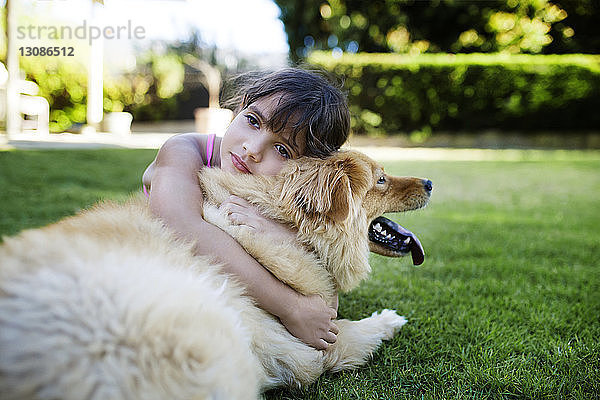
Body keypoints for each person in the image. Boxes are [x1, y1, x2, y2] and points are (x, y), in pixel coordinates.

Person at [142, 67, 350, 350]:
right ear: (240, 106)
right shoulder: (184, 150)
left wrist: (273, 230)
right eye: (253, 121)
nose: (252, 149)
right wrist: (291, 307)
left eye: (282, 150)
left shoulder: (280, 190)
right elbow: (178, 224)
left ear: (304, 168)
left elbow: (324, 271)